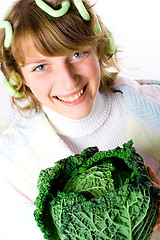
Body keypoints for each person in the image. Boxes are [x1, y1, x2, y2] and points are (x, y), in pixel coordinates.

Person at [0, 0, 160, 239]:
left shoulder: (154, 109)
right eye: (41, 66)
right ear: (16, 78)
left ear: (100, 47)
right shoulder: (13, 161)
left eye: (77, 54)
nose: (68, 81)